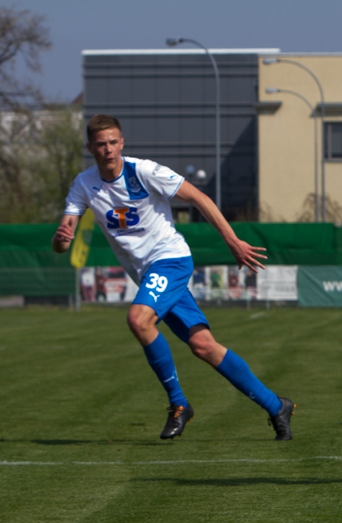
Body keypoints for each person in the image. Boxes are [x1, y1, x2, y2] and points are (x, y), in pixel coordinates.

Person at [51, 114, 294, 441]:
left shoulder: (145, 171)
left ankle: (179, 404)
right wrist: (61, 238)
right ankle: (276, 405)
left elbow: (200, 198)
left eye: (113, 142)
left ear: (121, 143)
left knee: (139, 320)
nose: (108, 150)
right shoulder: (84, 184)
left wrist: (233, 241)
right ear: (90, 148)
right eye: (101, 144)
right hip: (148, 273)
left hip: (170, 260)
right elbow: (61, 241)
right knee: (203, 346)